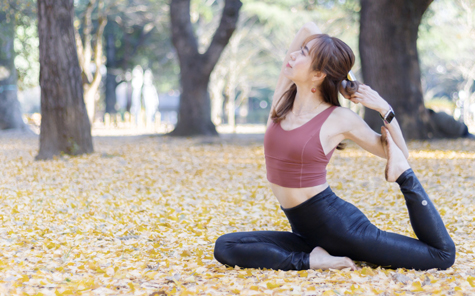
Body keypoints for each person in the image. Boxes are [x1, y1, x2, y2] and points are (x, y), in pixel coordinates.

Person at [213, 22, 455, 271]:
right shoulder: (281, 103)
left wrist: (385, 109)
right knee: (225, 246)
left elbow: (399, 154)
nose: (293, 54)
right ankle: (312, 259)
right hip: (305, 233)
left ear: (318, 75)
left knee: (442, 256)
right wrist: (333, 58)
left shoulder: (339, 118)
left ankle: (406, 182)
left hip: (343, 229)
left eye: (303, 53)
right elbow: (306, 28)